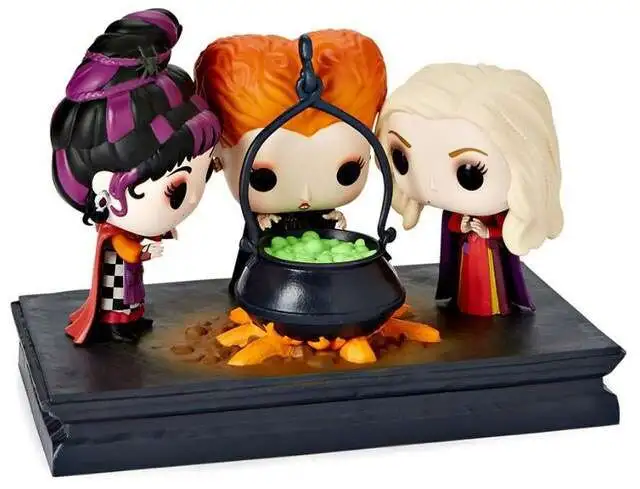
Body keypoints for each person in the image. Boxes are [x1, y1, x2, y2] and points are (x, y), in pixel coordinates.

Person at [51, 9, 221, 343]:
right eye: (176, 189)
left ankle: (131, 318)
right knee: (119, 296)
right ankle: (117, 323)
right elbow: (126, 251)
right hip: (119, 274)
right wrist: (144, 252)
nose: (193, 198)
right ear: (106, 189)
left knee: (132, 294)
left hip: (131, 272)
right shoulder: (115, 234)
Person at [194, 30, 387, 294]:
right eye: (263, 177)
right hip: (267, 265)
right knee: (258, 283)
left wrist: (333, 217)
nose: (305, 196)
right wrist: (260, 220)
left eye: (348, 171)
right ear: (219, 154)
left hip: (321, 259)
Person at [377, 63, 563, 316]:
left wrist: (487, 231)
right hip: (466, 251)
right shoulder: (458, 211)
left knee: (489, 287)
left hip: (488, 254)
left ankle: (492, 307)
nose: (433, 185)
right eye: (401, 157)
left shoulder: (496, 212)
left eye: (470, 172)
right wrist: (462, 226)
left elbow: (500, 231)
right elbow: (453, 224)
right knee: (466, 284)